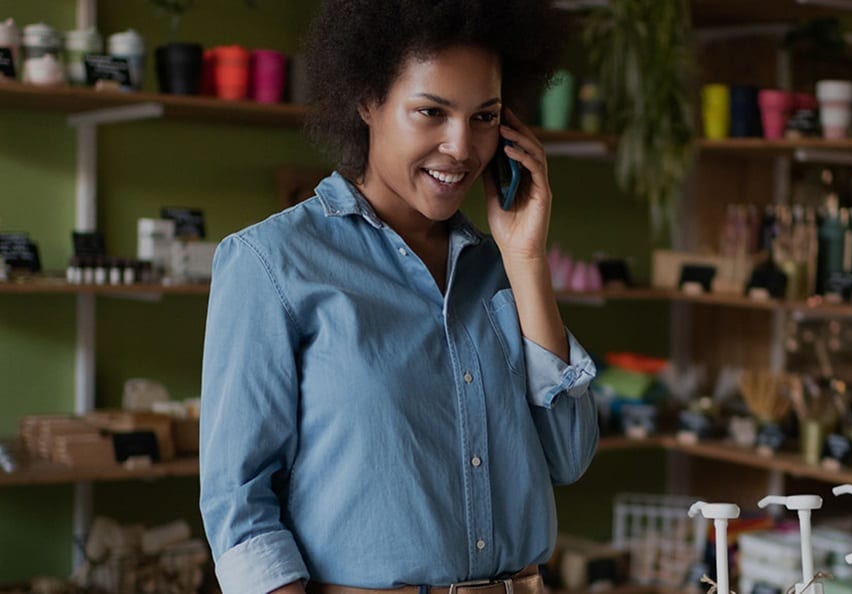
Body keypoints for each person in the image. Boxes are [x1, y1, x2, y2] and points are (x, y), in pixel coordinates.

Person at [198, 1, 600, 593]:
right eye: (430, 112)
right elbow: (238, 507)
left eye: (484, 116)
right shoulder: (272, 263)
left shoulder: (503, 268)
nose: (462, 147)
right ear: (368, 101)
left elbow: (569, 455)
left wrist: (527, 259)